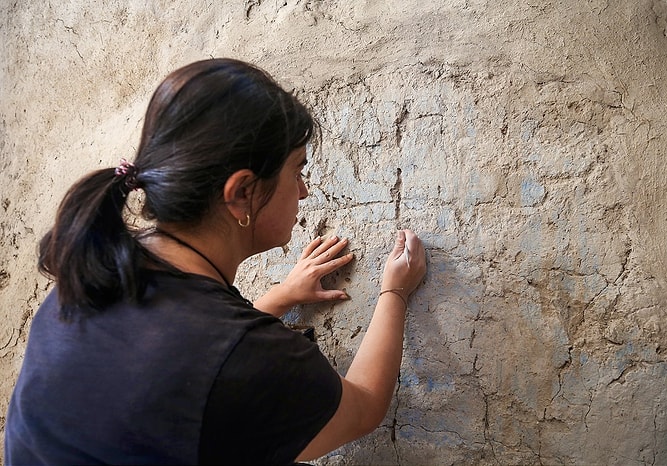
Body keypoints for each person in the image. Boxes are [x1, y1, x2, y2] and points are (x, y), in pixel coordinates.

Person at [4, 58, 426, 465]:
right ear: (241, 192)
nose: (304, 191)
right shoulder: (252, 358)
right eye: (297, 169)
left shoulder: (92, 276)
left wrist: (277, 298)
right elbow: (363, 406)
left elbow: (185, 368)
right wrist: (395, 291)